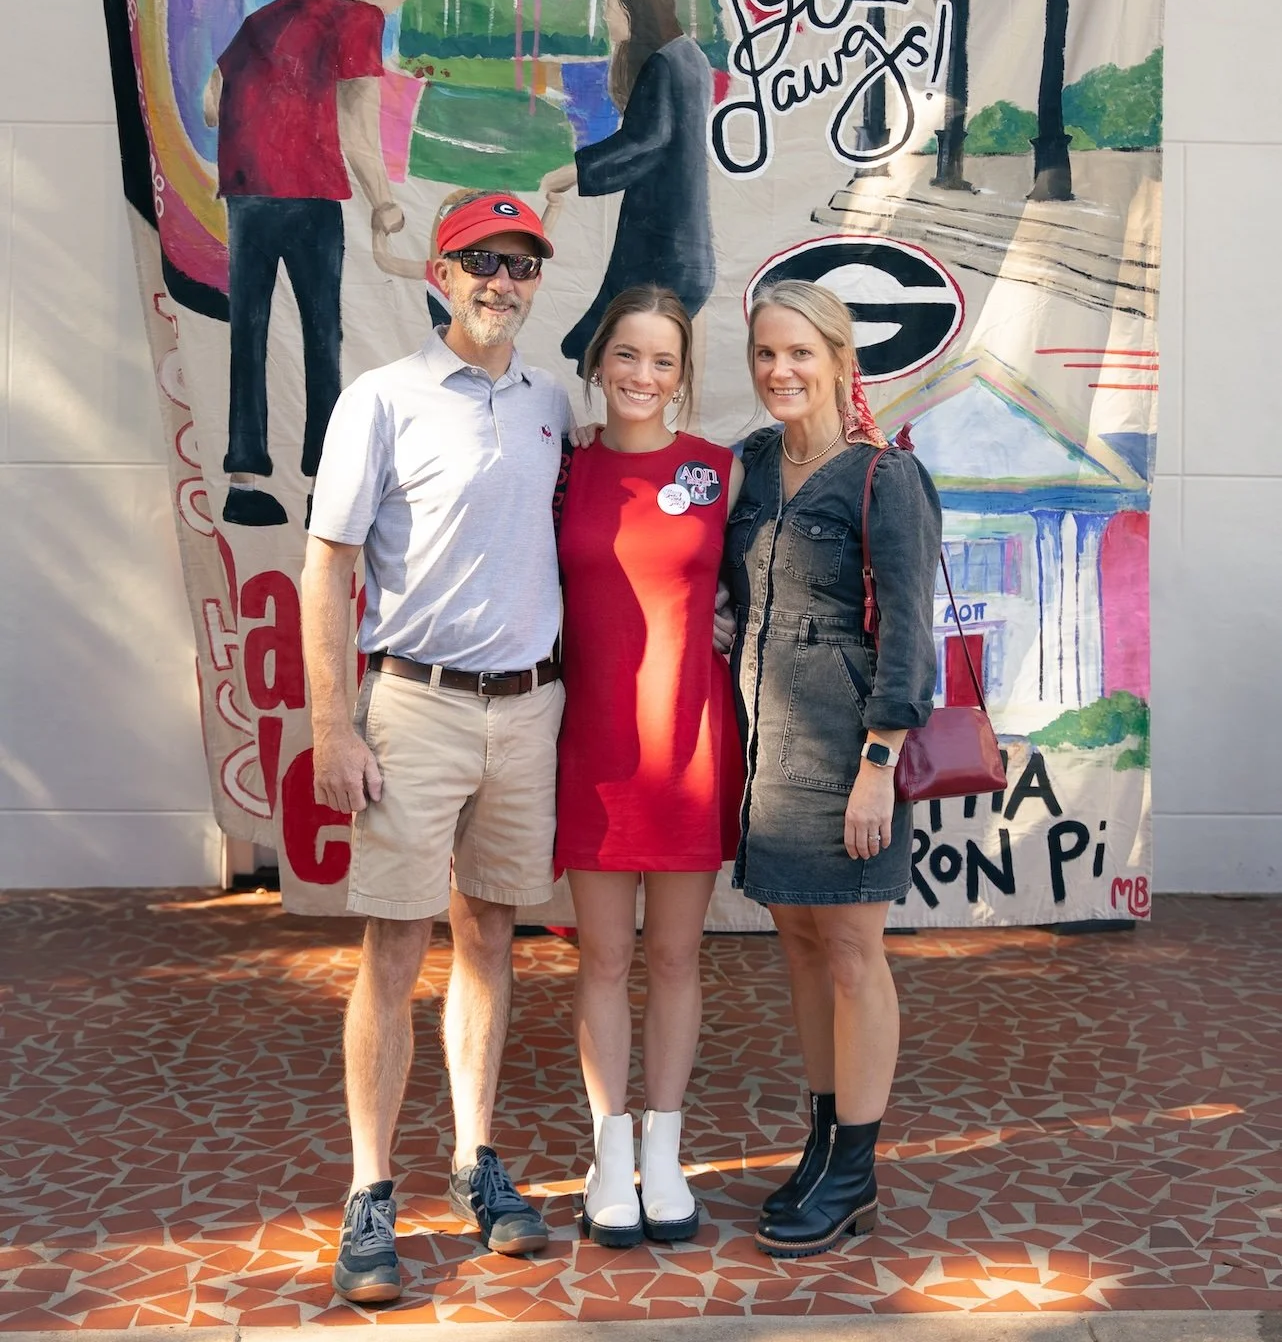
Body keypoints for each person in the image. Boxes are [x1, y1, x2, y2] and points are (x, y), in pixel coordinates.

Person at [301, 188, 571, 1305]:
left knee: (491, 937)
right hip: (415, 705)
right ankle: (370, 1191)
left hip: (529, 708)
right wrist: (330, 723)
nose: (502, 282)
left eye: (521, 264)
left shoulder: (550, 402)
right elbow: (327, 566)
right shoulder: (381, 399)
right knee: (393, 949)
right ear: (439, 274)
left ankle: (473, 1158)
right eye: (481, 262)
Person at [724, 279, 941, 1259]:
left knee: (854, 956)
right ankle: (822, 1143)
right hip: (768, 759)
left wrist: (878, 766)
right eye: (766, 353)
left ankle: (854, 1170)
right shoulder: (750, 466)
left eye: (800, 353)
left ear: (840, 362)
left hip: (850, 757)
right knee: (804, 952)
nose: (781, 370)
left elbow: (910, 637)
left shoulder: (883, 479)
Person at [554, 286, 744, 1248]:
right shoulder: (564, 466)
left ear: (683, 375)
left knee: (675, 957)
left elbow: (760, 583)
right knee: (604, 957)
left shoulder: (721, 473)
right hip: (591, 741)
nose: (642, 375)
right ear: (598, 362)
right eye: (626, 355)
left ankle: (663, 1151)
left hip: (688, 740)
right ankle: (607, 1152)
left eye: (663, 360)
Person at [203, 0, 418, 528]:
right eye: (395, 0)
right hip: (309, 194)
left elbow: (212, 98)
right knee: (321, 334)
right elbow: (356, 123)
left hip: (248, 192)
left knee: (248, 329)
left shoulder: (277, 11)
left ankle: (243, 481)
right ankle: (322, 482)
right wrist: (383, 202)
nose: (389, 13)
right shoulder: (359, 16)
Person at [542, 0, 716, 375]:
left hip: (662, 250)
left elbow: (645, 140)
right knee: (625, 351)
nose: (606, 17)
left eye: (611, 8)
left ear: (634, 12)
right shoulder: (689, 56)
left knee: (622, 355)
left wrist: (575, 171)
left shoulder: (663, 63)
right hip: (681, 244)